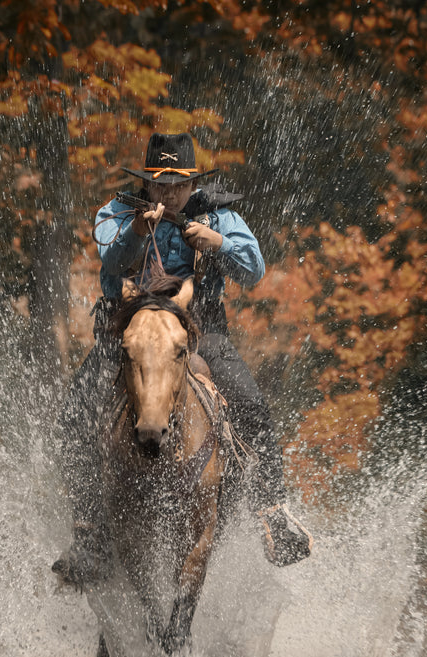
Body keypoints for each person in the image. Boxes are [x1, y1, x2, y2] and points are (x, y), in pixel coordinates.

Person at [53, 132, 312, 588]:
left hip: (201, 333)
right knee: (74, 415)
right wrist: (137, 231)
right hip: (127, 333)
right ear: (147, 184)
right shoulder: (116, 214)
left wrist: (219, 244)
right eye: (161, 183)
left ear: (193, 183)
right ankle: (90, 531)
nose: (170, 192)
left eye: (179, 184)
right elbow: (113, 263)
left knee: (251, 405)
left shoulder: (221, 217)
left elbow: (255, 271)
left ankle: (274, 512)